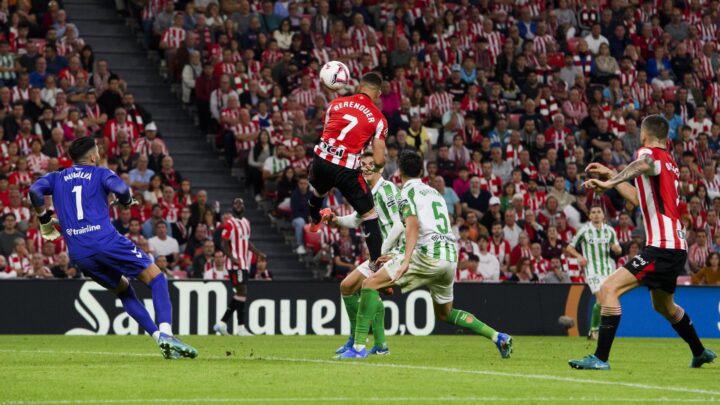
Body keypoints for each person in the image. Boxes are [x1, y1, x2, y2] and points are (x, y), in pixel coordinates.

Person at [28, 137, 197, 359]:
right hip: (106, 241)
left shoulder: (57, 177)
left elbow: (34, 191)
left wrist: (44, 218)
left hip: (80, 253)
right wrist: (126, 201)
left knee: (124, 290)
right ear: (92, 156)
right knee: (157, 279)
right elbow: (121, 188)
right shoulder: (99, 173)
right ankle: (166, 332)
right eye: (97, 151)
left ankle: (158, 338)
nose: (99, 154)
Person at [570, 115, 715, 370]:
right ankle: (700, 351)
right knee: (663, 305)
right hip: (675, 246)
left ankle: (600, 358)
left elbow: (643, 163)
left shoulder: (648, 153)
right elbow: (640, 198)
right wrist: (613, 175)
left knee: (608, 289)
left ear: (645, 134)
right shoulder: (669, 163)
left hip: (661, 245)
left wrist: (610, 181)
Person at [337, 150, 512, 359]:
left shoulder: (405, 194)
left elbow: (412, 227)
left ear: (399, 170)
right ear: (421, 171)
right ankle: (497, 336)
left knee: (369, 284)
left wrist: (402, 259)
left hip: (426, 254)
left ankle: (357, 348)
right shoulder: (435, 193)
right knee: (446, 314)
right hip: (449, 256)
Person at [322, 152, 402, 355]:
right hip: (378, 254)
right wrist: (336, 220)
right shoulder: (365, 193)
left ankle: (359, 343)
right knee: (347, 287)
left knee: (368, 289)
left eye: (370, 164)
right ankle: (378, 344)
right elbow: (357, 219)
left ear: (381, 168)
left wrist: (384, 253)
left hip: (391, 254)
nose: (366, 167)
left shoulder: (387, 189)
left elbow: (399, 225)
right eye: (362, 164)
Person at [307, 72, 388, 273]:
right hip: (346, 169)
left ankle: (315, 221)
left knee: (319, 191)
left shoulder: (336, 104)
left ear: (360, 86)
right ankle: (377, 265)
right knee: (369, 214)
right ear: (377, 94)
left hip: (321, 160)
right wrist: (377, 166)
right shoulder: (379, 119)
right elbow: (378, 160)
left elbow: (328, 131)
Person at [565, 205, 622, 340]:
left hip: (608, 271)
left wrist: (617, 249)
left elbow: (618, 248)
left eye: (599, 212)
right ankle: (596, 331)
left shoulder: (610, 231)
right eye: (593, 212)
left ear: (603, 215)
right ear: (589, 216)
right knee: (602, 298)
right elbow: (569, 247)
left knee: (606, 301)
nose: (596, 214)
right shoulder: (584, 231)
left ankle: (594, 331)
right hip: (592, 271)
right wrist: (579, 257)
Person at [213, 198, 265, 336]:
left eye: (241, 203)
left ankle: (224, 324)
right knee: (242, 292)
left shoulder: (246, 223)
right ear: (232, 207)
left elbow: (246, 242)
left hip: (244, 263)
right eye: (236, 203)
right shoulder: (230, 224)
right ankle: (237, 327)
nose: (238, 205)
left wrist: (258, 253)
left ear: (244, 206)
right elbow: (223, 243)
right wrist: (231, 258)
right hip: (234, 264)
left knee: (241, 294)